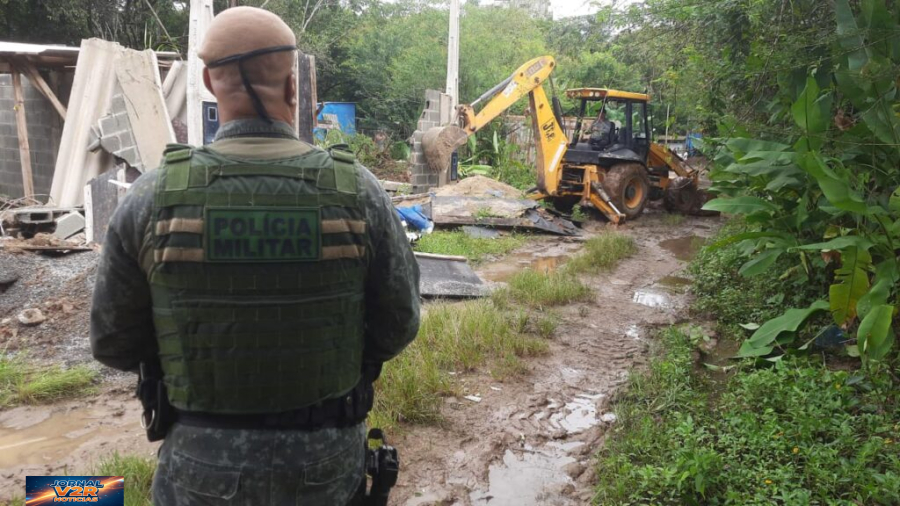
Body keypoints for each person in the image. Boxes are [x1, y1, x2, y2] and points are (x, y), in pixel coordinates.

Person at [89, 6, 420, 505]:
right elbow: (399, 323)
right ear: (292, 85)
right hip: (325, 461)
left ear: (208, 83)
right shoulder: (358, 192)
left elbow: (113, 341)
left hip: (199, 460)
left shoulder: (152, 198)